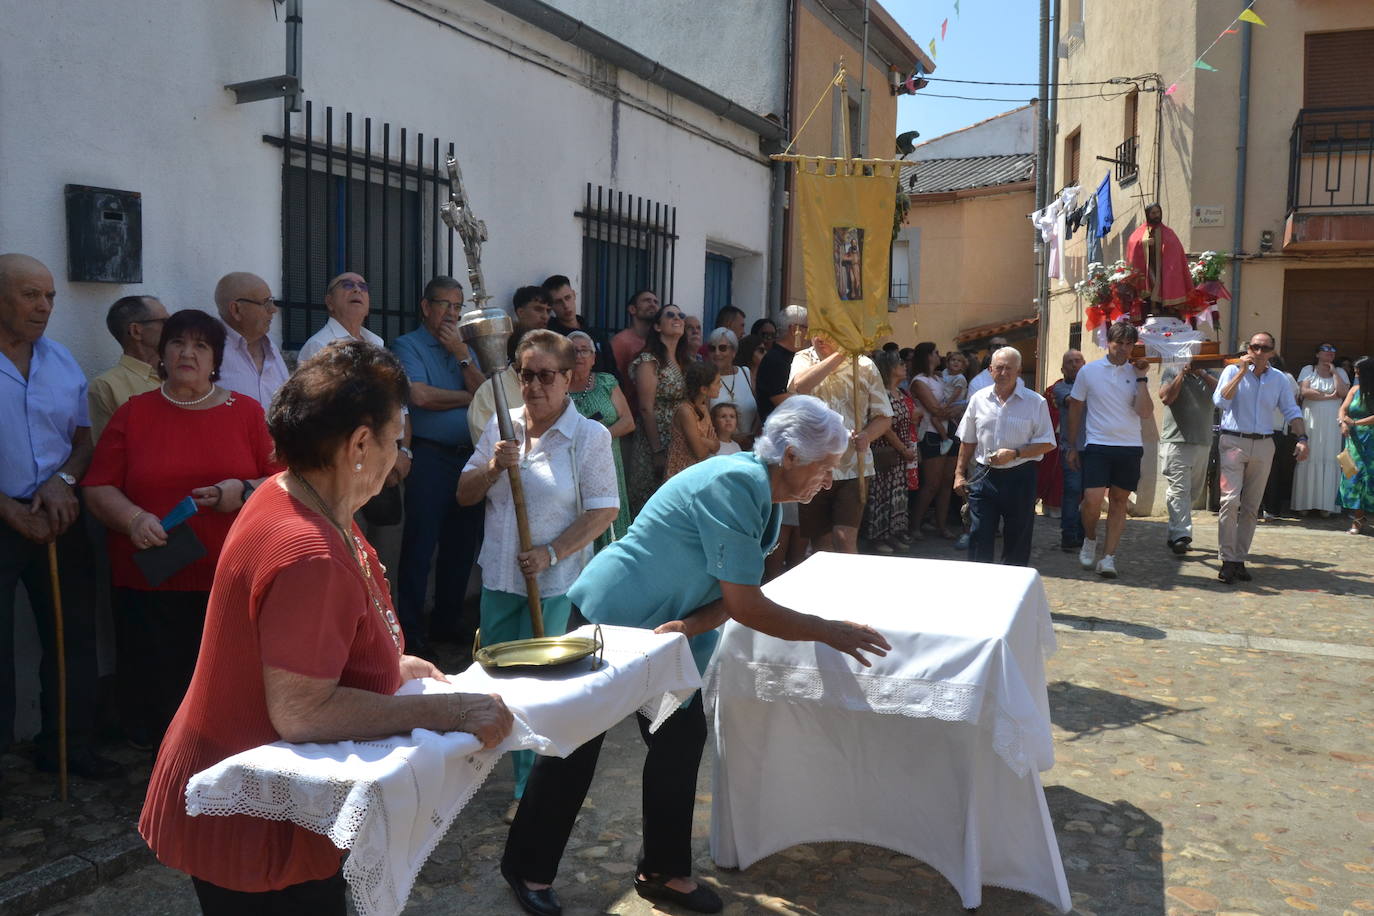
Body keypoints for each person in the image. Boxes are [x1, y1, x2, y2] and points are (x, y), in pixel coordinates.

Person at [139, 340, 513, 913]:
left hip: (263, 796)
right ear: (360, 444)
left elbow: (324, 638)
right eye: (397, 437)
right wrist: (451, 710)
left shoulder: (297, 493)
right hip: (255, 815)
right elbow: (302, 711)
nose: (399, 451)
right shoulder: (307, 548)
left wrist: (390, 663)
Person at [500, 396, 890, 916]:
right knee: (575, 743)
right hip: (611, 618)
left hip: (664, 634)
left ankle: (662, 870)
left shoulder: (762, 492)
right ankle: (526, 868)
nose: (829, 478)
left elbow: (730, 596)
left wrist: (691, 625)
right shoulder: (737, 483)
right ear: (792, 456)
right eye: (825, 467)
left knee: (678, 739)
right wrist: (828, 631)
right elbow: (747, 604)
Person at [84, 308, 279, 743]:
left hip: (229, 574)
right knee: (157, 685)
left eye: (201, 345)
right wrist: (133, 518)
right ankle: (164, 767)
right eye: (177, 343)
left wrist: (242, 489)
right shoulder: (134, 414)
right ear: (161, 352)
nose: (187, 353)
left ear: (216, 359)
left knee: (225, 679)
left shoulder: (246, 413)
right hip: (151, 574)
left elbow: (287, 479)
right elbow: (98, 486)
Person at [459, 330, 618, 814]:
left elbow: (603, 510)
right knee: (493, 679)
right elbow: (464, 494)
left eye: (546, 376)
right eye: (525, 375)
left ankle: (529, 789)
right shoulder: (502, 427)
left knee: (537, 687)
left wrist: (551, 553)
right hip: (500, 579)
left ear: (569, 379)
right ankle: (479, 768)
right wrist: (491, 467)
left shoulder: (588, 436)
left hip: (551, 585)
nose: (533, 385)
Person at [0, 253, 117, 780]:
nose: (44, 306)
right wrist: (9, 508)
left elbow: (83, 439)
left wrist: (63, 480)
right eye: (30, 295)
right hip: (2, 516)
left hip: (58, 514)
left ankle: (67, 748)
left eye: (49, 296)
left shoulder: (61, 361)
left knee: (73, 636)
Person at [390, 277, 487, 647]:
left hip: (470, 459)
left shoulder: (465, 349)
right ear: (425, 306)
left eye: (458, 307)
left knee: (461, 547)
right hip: (430, 457)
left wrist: (462, 354)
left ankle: (448, 624)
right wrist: (468, 396)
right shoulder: (407, 345)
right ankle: (411, 633)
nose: (451, 313)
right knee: (420, 546)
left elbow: (487, 394)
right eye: (444, 304)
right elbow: (420, 395)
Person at [1212, 331, 1308, 584]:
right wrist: (1242, 372)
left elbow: (1290, 409)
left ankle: (1239, 559)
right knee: (1230, 501)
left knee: (1252, 506)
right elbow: (1220, 401)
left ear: (1272, 352)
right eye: (1255, 347)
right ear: (1248, 349)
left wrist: (1302, 438)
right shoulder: (1232, 372)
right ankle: (1227, 559)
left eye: (1265, 348)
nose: (1259, 352)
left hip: (1264, 444)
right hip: (1233, 441)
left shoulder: (1279, 379)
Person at [1064, 321, 1155, 579]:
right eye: (1119, 344)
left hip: (1129, 446)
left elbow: (1145, 412)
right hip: (1097, 445)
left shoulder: (1136, 372)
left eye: (1129, 344)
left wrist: (1142, 379)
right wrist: (1071, 446)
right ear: (1109, 343)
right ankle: (1090, 539)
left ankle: (1108, 557)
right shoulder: (1089, 372)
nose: (1123, 349)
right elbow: (1075, 409)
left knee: (1119, 502)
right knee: (1091, 501)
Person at [787, 333, 893, 553]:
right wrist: (840, 354)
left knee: (844, 539)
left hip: (853, 465)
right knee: (820, 545)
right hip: (812, 464)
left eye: (828, 331)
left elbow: (884, 416)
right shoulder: (803, 358)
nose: (820, 337)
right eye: (816, 330)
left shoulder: (864, 364)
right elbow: (799, 386)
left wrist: (867, 436)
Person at [954, 347, 1057, 566]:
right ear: (990, 370)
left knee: (1017, 540)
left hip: (1021, 476)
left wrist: (1015, 453)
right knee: (979, 535)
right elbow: (967, 439)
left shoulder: (1035, 402)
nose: (1003, 373)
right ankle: (979, 587)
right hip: (984, 476)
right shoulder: (978, 399)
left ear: (1019, 371)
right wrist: (959, 474)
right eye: (999, 368)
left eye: (1009, 368)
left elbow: (1048, 443)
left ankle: (1012, 590)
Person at [755, 305, 809, 577]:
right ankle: (774, 584)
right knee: (783, 524)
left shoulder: (800, 359)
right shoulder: (776, 360)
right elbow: (782, 402)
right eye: (808, 328)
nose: (811, 334)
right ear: (795, 329)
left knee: (801, 524)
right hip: (781, 447)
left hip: (800, 447)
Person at [567, 330, 634, 548]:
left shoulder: (606, 382)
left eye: (584, 350)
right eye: (573, 351)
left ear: (594, 358)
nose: (579, 355)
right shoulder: (557, 386)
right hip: (573, 465)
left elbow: (628, 422)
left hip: (608, 462)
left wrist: (597, 435)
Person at [625, 305, 691, 516]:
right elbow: (646, 407)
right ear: (657, 326)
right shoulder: (649, 360)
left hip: (680, 437)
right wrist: (657, 451)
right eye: (670, 315)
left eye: (681, 315)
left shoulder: (686, 361)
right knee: (650, 502)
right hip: (655, 440)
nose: (677, 318)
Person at [1158, 358, 1219, 554]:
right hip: (1176, 442)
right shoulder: (1171, 372)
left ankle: (1174, 532)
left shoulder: (1211, 375)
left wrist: (1201, 373)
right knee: (1180, 490)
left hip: (1202, 442)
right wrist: (1181, 374)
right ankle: (1181, 536)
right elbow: (1166, 398)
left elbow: (1223, 396)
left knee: (1191, 492)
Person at [88, 294, 168, 440]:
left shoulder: (180, 373)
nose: (173, 327)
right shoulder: (106, 386)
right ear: (136, 330)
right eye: (165, 321)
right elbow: (108, 452)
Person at [861, 349, 917, 553]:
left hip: (901, 454)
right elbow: (885, 427)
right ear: (889, 369)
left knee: (897, 495)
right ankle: (877, 538)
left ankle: (892, 533)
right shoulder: (880, 394)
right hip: (886, 451)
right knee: (881, 496)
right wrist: (902, 449)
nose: (904, 366)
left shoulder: (900, 392)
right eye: (900, 363)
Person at [214, 272, 289, 407]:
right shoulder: (210, 351)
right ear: (236, 310)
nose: (273, 310)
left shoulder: (271, 348)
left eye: (271, 302)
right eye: (266, 303)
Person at [1292, 343, 1350, 516]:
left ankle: (1327, 505)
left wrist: (1333, 373)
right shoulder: (1308, 369)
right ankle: (1304, 503)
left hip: (1332, 421)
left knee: (1330, 456)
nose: (1330, 354)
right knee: (1310, 455)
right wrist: (1329, 396)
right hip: (1312, 419)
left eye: (1333, 351)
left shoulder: (1340, 372)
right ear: (1317, 354)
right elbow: (1305, 391)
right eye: (1326, 351)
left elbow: (1342, 392)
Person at [907, 341, 958, 540]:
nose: (939, 355)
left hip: (947, 430)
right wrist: (958, 409)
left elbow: (942, 407)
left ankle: (941, 525)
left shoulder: (936, 379)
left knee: (946, 482)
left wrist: (951, 410)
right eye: (936, 352)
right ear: (927, 356)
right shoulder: (919, 382)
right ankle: (915, 525)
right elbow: (935, 410)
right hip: (930, 434)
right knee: (931, 484)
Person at [1048, 350, 1086, 550]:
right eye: (1069, 362)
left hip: (1093, 448)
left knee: (1089, 494)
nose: (1074, 365)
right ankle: (1069, 535)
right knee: (1072, 491)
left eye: (1077, 361)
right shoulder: (1061, 388)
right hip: (1071, 449)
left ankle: (1084, 533)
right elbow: (1074, 402)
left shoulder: (1092, 386)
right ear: (1063, 369)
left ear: (1084, 363)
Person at [298, 272, 384, 362]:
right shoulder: (319, 345)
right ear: (330, 302)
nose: (357, 289)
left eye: (363, 286)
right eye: (347, 285)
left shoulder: (376, 342)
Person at [1126, 202, 1193, 312]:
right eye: (1153, 213)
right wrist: (1145, 243)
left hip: (1163, 268)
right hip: (1148, 266)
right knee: (1151, 284)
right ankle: (1152, 306)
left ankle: (1168, 307)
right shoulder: (1140, 232)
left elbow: (1175, 249)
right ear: (1148, 214)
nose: (1156, 215)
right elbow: (1133, 243)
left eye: (1158, 212)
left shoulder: (1168, 232)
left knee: (1164, 283)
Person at [1260, 354, 1302, 520]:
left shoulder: (1286, 378)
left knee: (1274, 471)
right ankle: (1260, 507)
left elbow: (1292, 401)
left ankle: (1272, 508)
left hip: (1278, 429)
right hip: (1262, 428)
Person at [666, 361, 721, 478]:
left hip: (697, 472)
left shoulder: (704, 408)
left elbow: (717, 446)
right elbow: (699, 453)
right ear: (704, 389)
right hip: (682, 474)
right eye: (717, 383)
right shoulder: (685, 411)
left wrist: (705, 441)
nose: (720, 386)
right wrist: (709, 443)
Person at [1338, 356, 1373, 534]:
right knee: (1354, 478)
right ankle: (1358, 519)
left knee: (1370, 479)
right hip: (1354, 442)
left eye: (1358, 370)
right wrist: (1343, 422)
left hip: (1371, 440)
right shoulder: (1354, 389)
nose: (1355, 373)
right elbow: (1343, 409)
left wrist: (1355, 423)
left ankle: (1361, 519)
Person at [706, 327, 759, 444]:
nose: (717, 353)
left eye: (722, 348)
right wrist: (733, 439)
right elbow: (705, 420)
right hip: (721, 447)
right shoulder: (707, 380)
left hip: (750, 445)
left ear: (734, 352)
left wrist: (751, 437)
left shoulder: (745, 373)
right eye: (712, 348)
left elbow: (759, 408)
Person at [610, 289, 660, 388]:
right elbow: (611, 380)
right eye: (647, 300)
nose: (652, 304)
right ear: (632, 309)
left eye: (656, 302)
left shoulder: (660, 342)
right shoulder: (621, 342)